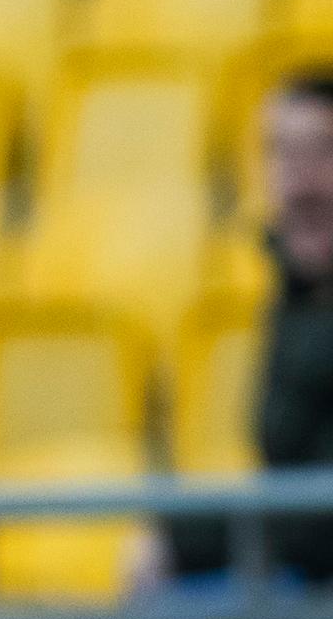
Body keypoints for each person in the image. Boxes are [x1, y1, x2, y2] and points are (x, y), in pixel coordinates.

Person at [137, 74, 333, 588]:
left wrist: (184, 543)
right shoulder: (293, 297)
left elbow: (317, 512)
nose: (301, 181)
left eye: (323, 151)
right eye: (281, 154)